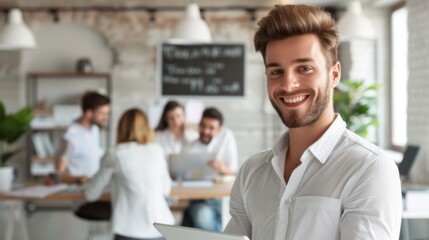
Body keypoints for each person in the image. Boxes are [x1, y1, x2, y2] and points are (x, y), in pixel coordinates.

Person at [224, 4, 402, 240]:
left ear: (334, 74)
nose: (288, 85)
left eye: (304, 68)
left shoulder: (369, 168)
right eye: (276, 72)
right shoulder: (251, 171)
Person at [84, 108, 174, 240]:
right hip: (161, 229)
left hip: (129, 230)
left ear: (121, 129)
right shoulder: (157, 151)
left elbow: (90, 194)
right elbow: (166, 190)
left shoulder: (115, 153)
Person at [182, 107, 238, 232]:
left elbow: (234, 172)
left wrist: (221, 167)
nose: (206, 131)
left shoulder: (226, 138)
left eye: (211, 128)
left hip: (222, 198)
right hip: (199, 198)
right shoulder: (190, 148)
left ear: (219, 130)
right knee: (202, 217)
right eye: (203, 126)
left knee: (232, 222)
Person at [54, 91, 110, 184]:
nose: (106, 117)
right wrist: (79, 180)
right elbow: (59, 174)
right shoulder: (70, 137)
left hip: (93, 188)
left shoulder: (94, 129)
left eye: (107, 113)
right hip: (78, 192)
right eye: (102, 113)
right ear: (88, 113)